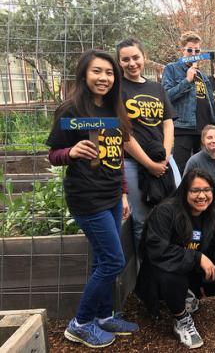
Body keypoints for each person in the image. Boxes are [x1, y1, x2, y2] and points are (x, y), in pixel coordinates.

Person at [47, 49, 138, 348]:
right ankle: (81, 323)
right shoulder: (71, 110)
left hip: (111, 194)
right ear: (84, 74)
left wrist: (123, 192)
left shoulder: (114, 110)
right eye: (97, 71)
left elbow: (118, 156)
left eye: (109, 72)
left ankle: (104, 315)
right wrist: (70, 153)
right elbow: (53, 154)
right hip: (87, 198)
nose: (104, 78)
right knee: (113, 260)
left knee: (103, 258)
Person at [135, 168, 215, 349]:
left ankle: (191, 293)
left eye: (207, 190)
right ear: (184, 191)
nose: (202, 196)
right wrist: (197, 257)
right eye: (195, 190)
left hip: (192, 272)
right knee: (173, 273)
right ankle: (181, 319)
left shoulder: (213, 218)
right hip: (161, 273)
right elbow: (157, 251)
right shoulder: (166, 211)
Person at [116, 38, 181, 252]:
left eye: (136, 57)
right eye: (125, 59)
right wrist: (149, 164)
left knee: (175, 209)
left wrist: (165, 156)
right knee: (142, 218)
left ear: (144, 56)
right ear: (119, 62)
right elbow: (122, 133)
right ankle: (146, 272)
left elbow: (168, 123)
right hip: (134, 163)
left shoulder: (156, 87)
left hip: (163, 158)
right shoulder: (117, 90)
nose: (132, 63)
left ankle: (173, 262)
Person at [161, 31, 215, 175]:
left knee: (205, 169)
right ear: (182, 51)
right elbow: (166, 97)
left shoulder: (201, 75)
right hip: (184, 128)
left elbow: (211, 102)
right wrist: (187, 80)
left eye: (197, 50)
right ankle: (181, 196)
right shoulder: (172, 69)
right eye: (190, 50)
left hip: (204, 129)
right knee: (182, 169)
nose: (194, 53)